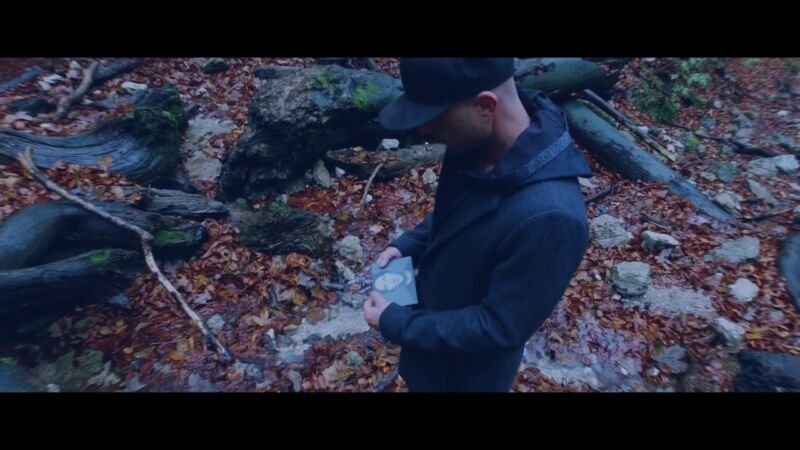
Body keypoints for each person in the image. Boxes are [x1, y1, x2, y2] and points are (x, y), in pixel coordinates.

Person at [362, 58, 593, 392]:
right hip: (428, 355)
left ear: (486, 106)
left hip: (467, 378)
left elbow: (500, 326)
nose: (423, 129)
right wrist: (409, 244)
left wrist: (398, 323)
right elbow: (462, 213)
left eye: (435, 115)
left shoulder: (553, 217)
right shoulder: (472, 144)